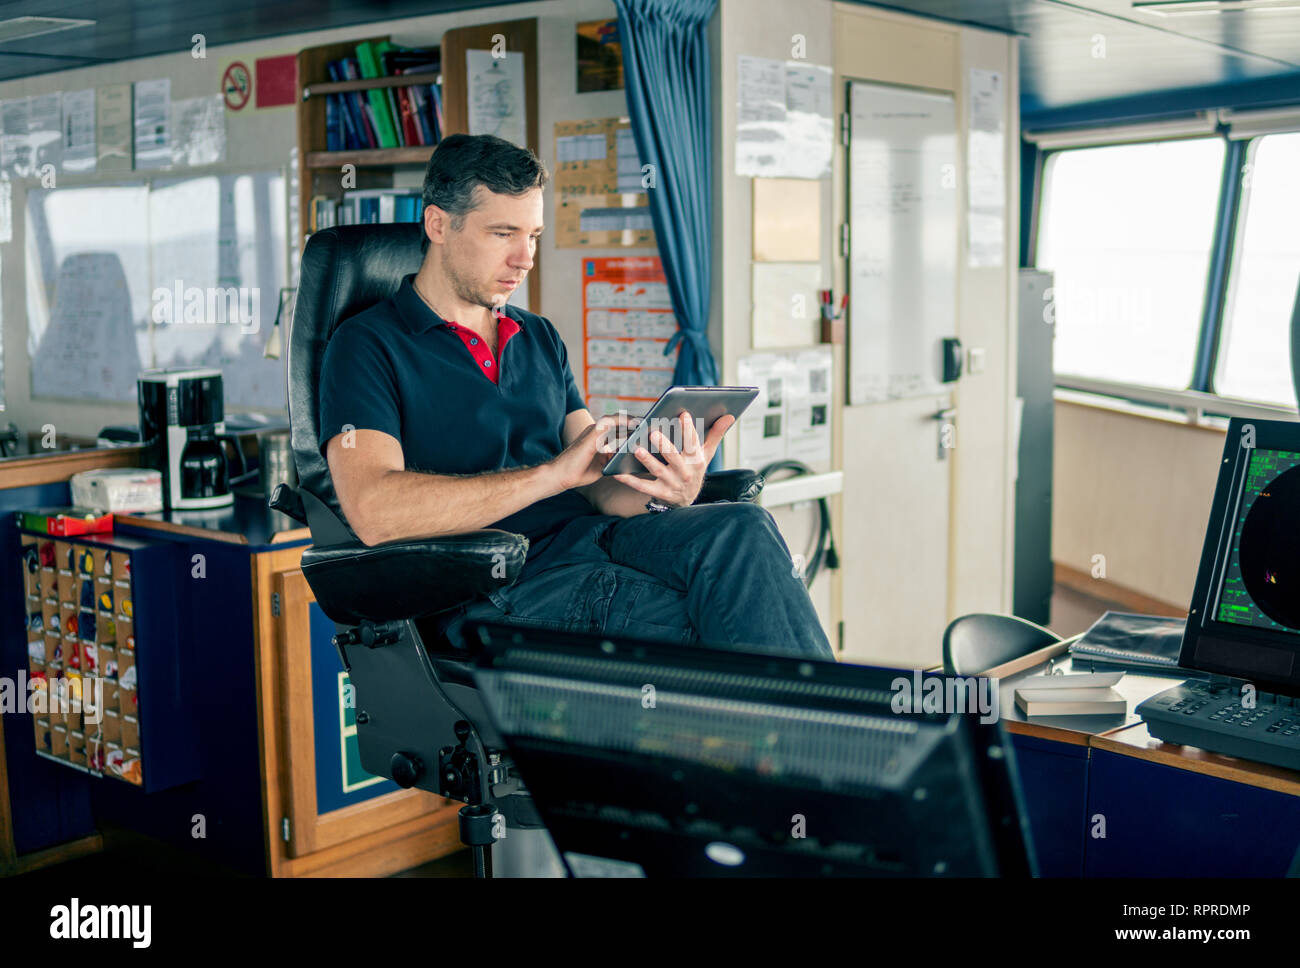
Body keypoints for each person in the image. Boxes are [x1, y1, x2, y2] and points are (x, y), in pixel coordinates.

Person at [318, 133, 832, 660]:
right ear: (438, 225)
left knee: (743, 527)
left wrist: (668, 488)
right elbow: (374, 510)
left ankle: (836, 729)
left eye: (534, 235)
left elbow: (597, 486)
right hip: (493, 589)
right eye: (503, 233)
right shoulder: (366, 346)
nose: (525, 258)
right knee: (719, 619)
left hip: (592, 542)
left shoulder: (538, 336)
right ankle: (839, 733)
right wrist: (548, 476)